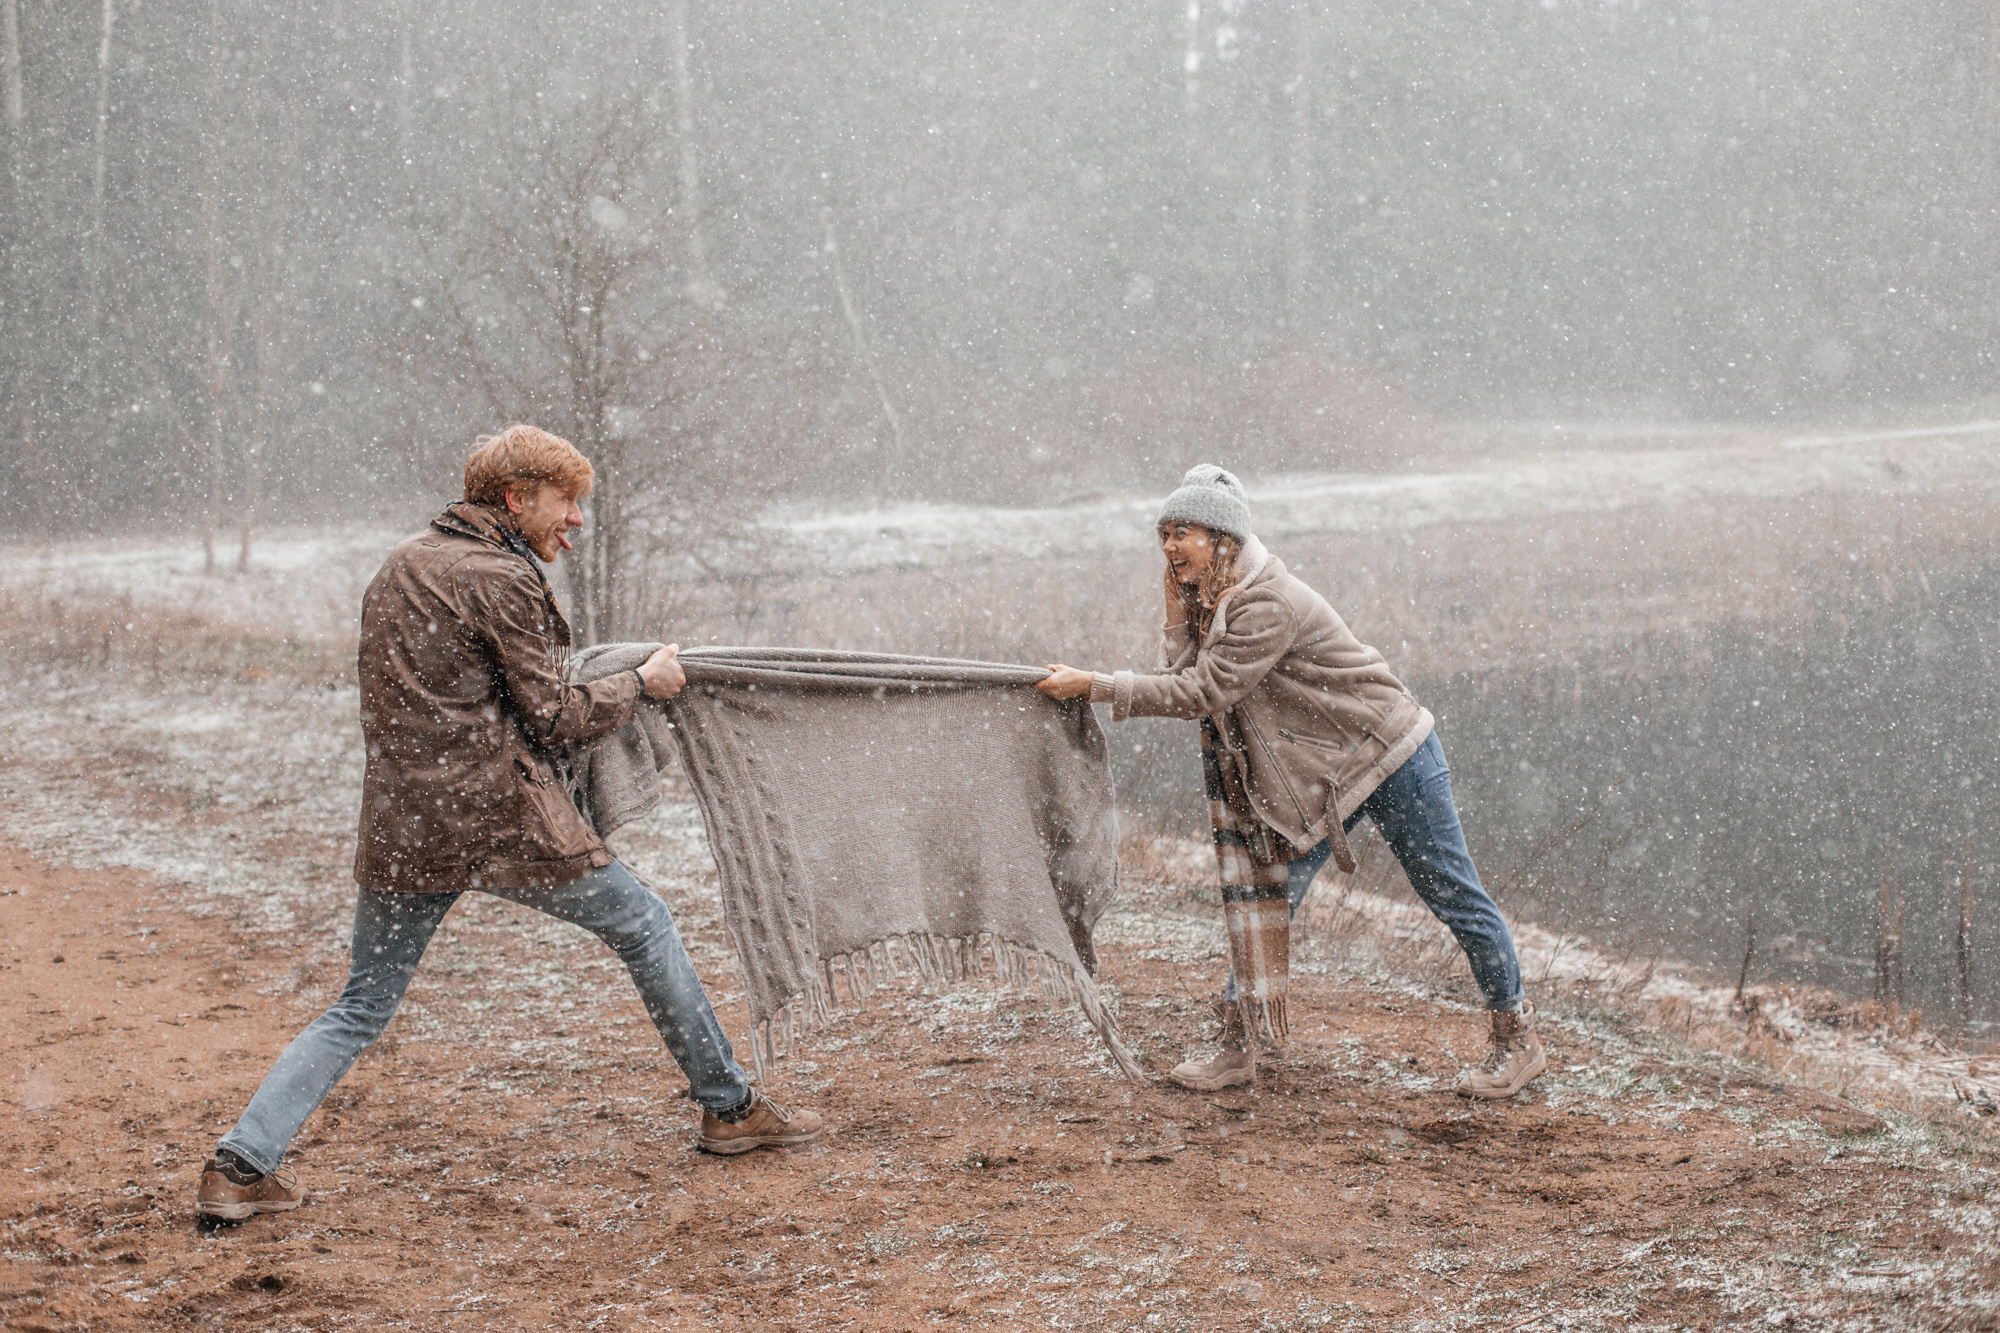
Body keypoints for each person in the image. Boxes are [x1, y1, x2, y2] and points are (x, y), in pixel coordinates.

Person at [196, 425, 824, 1222]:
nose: (577, 519)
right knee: (645, 924)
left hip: (405, 826)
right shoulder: (501, 576)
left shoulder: (401, 565)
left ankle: (240, 1165)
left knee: (360, 1004)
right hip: (503, 820)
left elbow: (444, 698)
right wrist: (642, 681)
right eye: (566, 502)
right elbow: (555, 716)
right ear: (516, 497)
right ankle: (729, 1109)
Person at [1035, 464, 1544, 1099]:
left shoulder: (1266, 603)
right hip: (1324, 776)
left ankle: (1516, 1039)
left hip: (1390, 755)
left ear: (1222, 538)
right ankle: (1239, 1044)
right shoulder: (1214, 597)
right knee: (1265, 898)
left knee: (1454, 896)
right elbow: (1183, 670)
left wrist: (1095, 685)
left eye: (1183, 532)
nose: (1168, 546)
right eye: (1164, 532)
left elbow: (1202, 690)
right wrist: (1174, 616)